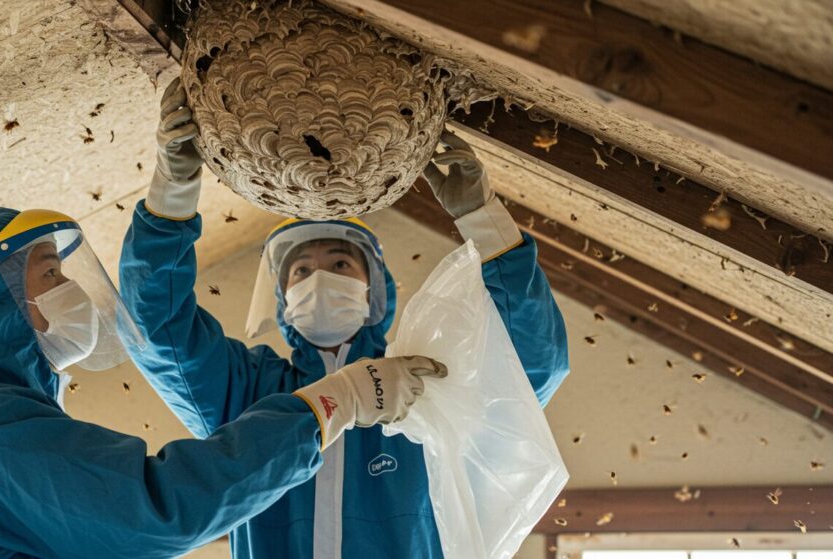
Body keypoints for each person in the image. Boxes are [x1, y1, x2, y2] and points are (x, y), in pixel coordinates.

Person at [119, 78, 569, 558]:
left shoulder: (421, 385)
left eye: (339, 264)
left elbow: (532, 364)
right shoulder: (249, 393)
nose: (320, 279)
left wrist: (484, 220)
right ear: (283, 295)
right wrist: (171, 194)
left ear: (373, 290)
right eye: (301, 270)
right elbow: (156, 327)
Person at [0, 206, 446, 558]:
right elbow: (157, 508)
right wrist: (337, 400)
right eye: (52, 274)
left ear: (377, 287)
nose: (72, 291)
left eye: (341, 264)